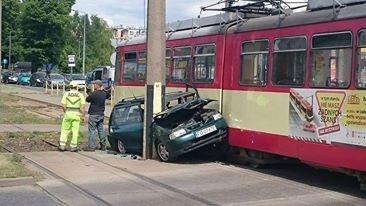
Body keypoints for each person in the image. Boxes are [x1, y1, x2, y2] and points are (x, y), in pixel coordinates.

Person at [59, 81, 86, 152]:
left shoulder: (66, 94)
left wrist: (66, 111)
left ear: (70, 87)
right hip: (77, 114)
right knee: (75, 131)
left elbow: (63, 105)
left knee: (65, 130)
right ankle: (73, 146)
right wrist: (83, 116)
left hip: (68, 113)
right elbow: (82, 107)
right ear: (77, 87)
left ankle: (62, 145)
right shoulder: (80, 95)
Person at [84, 80, 107, 151]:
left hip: (93, 114)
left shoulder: (94, 94)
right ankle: (103, 145)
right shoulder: (104, 94)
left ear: (97, 85)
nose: (93, 85)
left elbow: (87, 99)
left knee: (92, 130)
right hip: (101, 114)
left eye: (94, 84)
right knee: (100, 129)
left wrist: (89, 93)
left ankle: (91, 146)